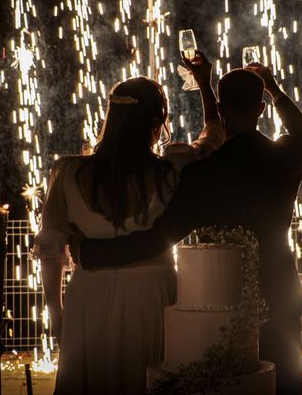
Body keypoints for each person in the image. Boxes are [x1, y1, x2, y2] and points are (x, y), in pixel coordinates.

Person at [71, 63, 302, 394]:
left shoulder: (203, 172)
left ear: (220, 108)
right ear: (261, 108)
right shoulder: (286, 157)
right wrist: (273, 88)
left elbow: (160, 237)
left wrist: (93, 252)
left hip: (217, 296)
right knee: (284, 383)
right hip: (279, 289)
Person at [32, 52, 224, 394]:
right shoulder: (170, 170)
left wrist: (56, 312)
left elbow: (50, 249)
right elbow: (214, 136)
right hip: (150, 297)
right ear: (156, 121)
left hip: (87, 296)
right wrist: (204, 86)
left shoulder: (67, 171)